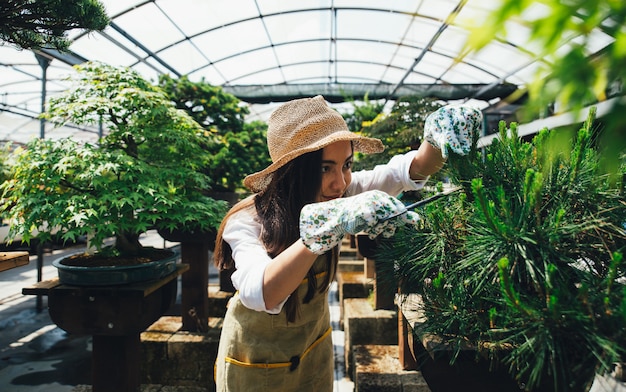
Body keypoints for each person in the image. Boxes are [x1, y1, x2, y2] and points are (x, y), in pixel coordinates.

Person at [213, 95, 482, 391]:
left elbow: (407, 170)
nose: (339, 183)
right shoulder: (248, 220)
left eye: (346, 165)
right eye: (324, 168)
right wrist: (319, 232)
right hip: (255, 362)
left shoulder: (341, 193)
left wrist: (436, 138)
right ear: (293, 169)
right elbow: (259, 292)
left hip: (313, 351)